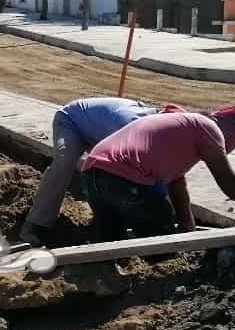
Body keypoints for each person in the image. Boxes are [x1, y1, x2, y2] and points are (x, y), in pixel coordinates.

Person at [79, 105, 235, 241]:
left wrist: (187, 226)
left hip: (91, 173)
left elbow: (177, 188)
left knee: (112, 240)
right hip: (121, 177)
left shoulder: (181, 131)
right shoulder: (209, 128)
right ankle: (160, 281)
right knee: (161, 227)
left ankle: (106, 280)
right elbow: (226, 180)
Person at [19, 97, 158, 246]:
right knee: (65, 163)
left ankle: (110, 223)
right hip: (71, 122)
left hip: (99, 132)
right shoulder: (131, 127)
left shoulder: (154, 131)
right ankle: (36, 224)